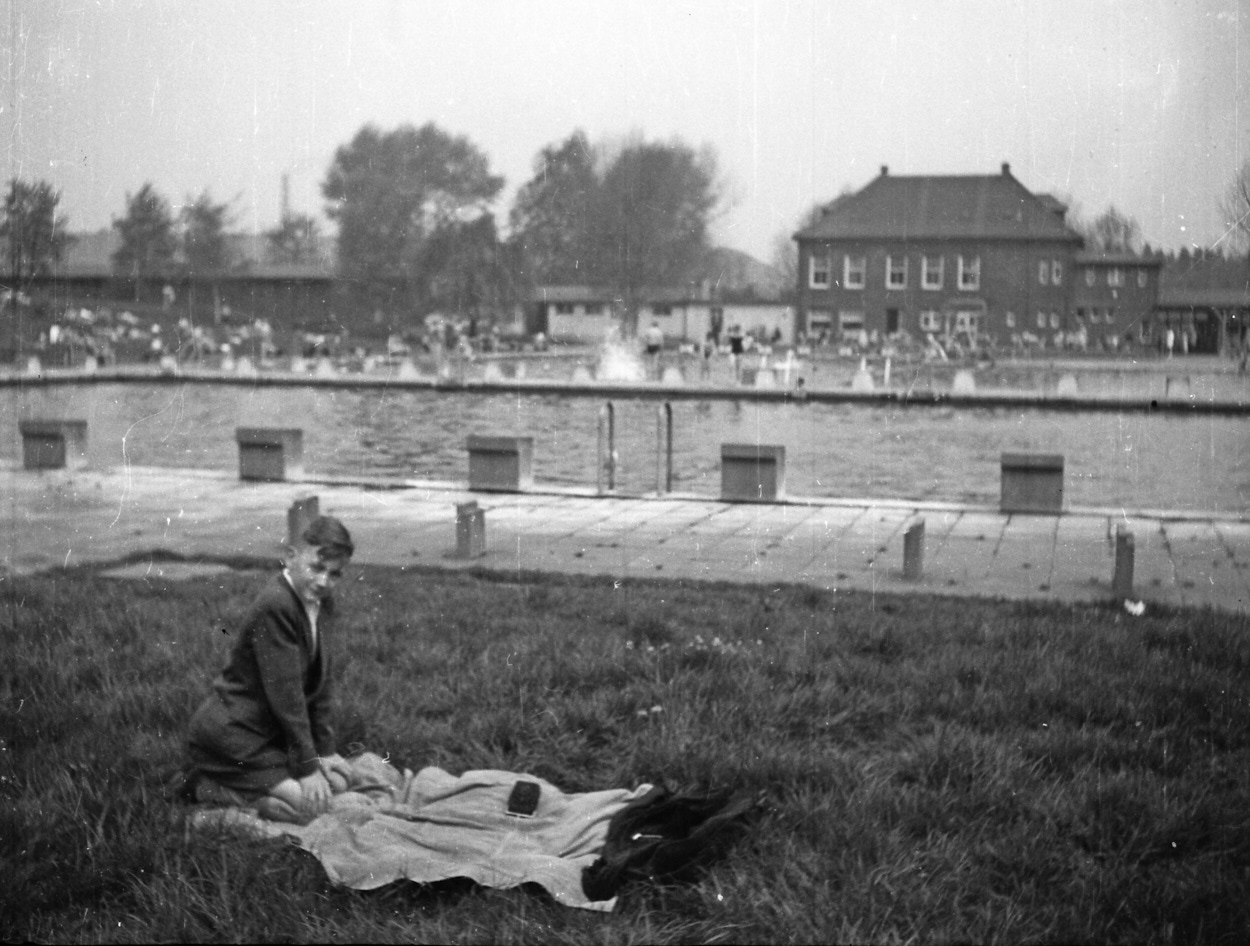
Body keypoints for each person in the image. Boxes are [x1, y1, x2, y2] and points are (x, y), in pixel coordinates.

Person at [185, 515, 356, 823]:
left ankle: (257, 790)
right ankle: (207, 786)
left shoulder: (322, 603)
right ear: (290, 557)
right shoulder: (276, 605)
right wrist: (307, 767)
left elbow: (321, 683)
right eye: (316, 568)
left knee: (338, 784)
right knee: (314, 809)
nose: (323, 582)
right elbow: (286, 696)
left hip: (269, 734)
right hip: (233, 734)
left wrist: (325, 750)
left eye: (334, 574)